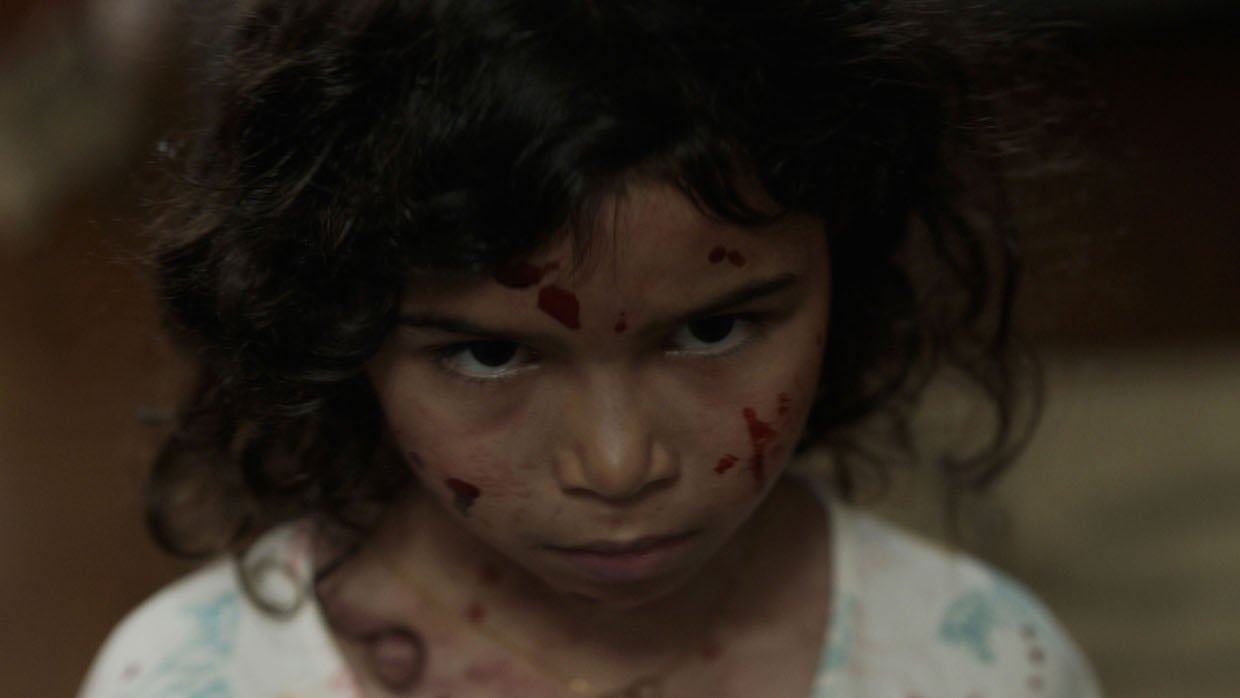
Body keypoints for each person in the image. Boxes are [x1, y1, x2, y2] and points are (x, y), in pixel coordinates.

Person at [79, 1, 1102, 696]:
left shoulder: (982, 662)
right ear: (339, 325)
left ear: (848, 264)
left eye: (712, 328)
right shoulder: (193, 677)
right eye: (486, 355)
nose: (617, 464)